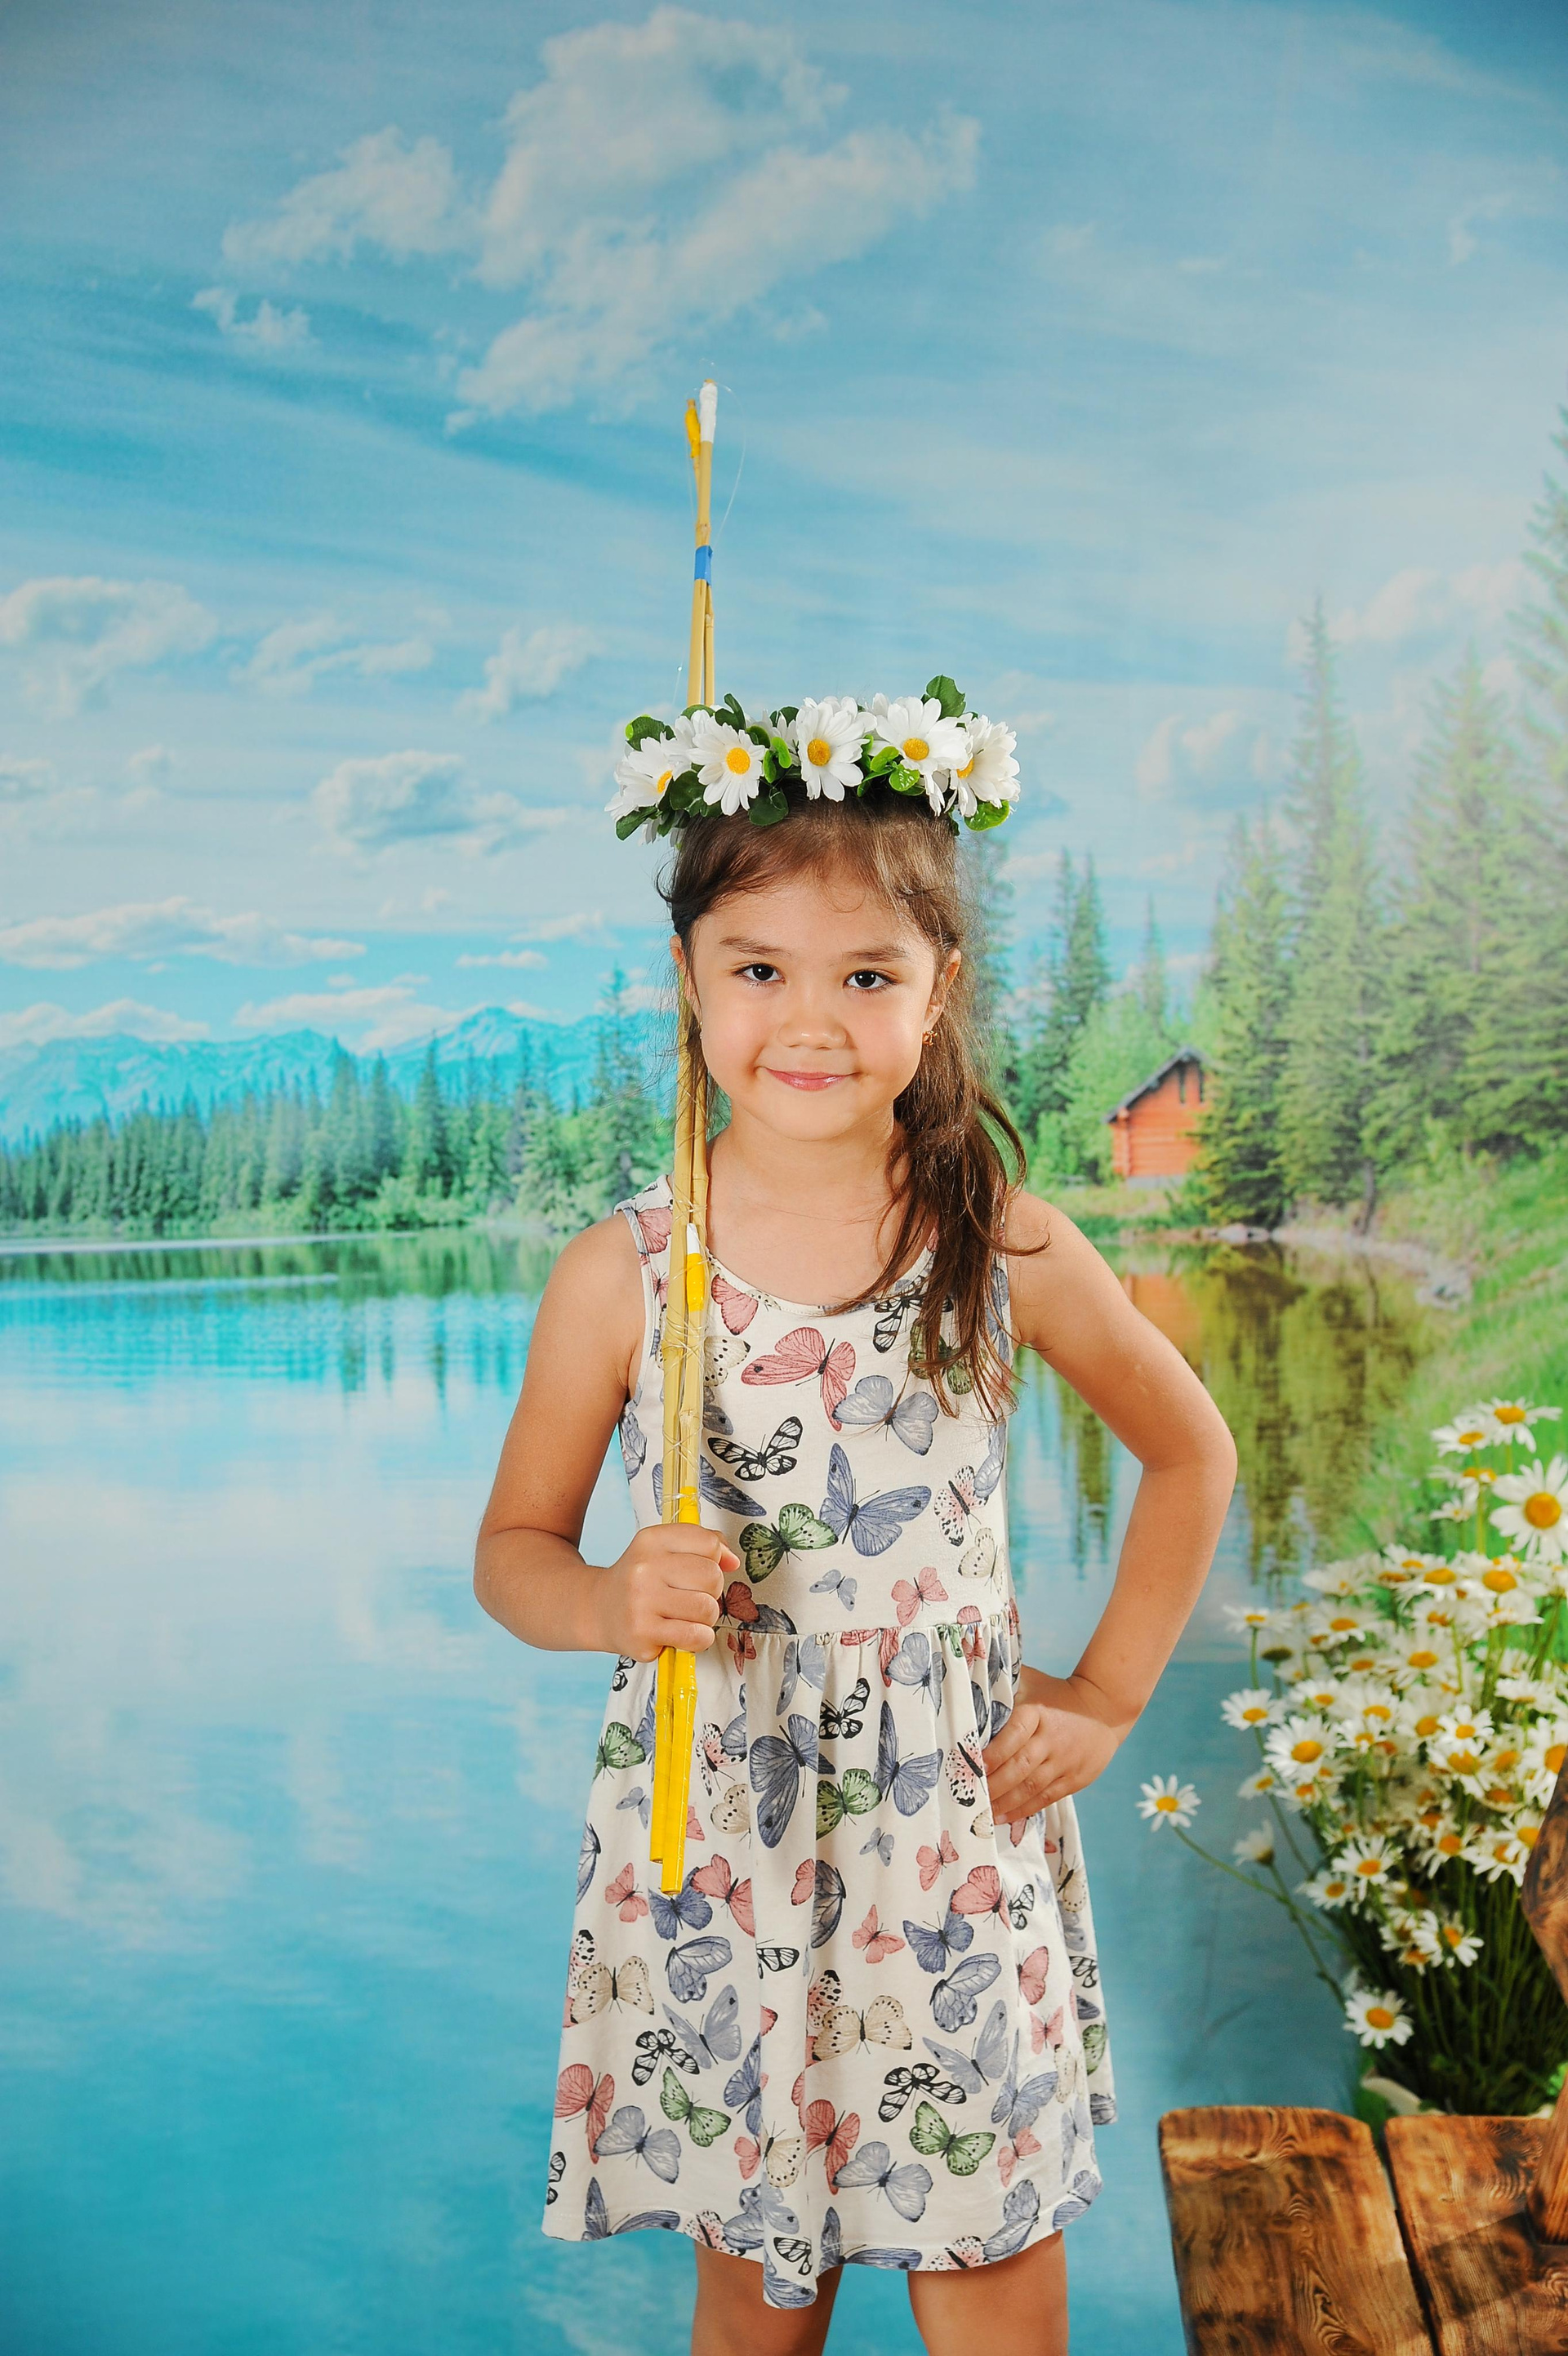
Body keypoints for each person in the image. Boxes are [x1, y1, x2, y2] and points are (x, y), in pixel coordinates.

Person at [474, 693, 1236, 2356]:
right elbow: (513, 1552)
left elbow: (1191, 1454)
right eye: (759, 968)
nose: (810, 1020)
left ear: (938, 986)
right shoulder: (628, 1274)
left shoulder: (1000, 1239)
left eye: (868, 976)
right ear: (688, 978)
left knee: (987, 2265)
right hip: (723, 1834)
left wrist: (1107, 1694)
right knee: (758, 2284)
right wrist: (605, 1599)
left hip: (951, 1833)